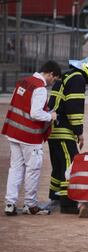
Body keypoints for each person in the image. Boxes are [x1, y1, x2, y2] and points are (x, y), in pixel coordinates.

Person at [47, 55, 88, 213]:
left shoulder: (68, 75)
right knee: (71, 165)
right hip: (64, 131)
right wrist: (79, 132)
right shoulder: (78, 79)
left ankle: (55, 198)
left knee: (58, 167)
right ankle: (68, 203)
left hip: (54, 130)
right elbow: (75, 107)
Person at [2, 61, 61, 216]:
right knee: (33, 169)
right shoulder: (40, 89)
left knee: (15, 168)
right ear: (50, 74)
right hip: (29, 136)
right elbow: (35, 113)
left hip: (14, 132)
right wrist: (51, 116)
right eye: (53, 79)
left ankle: (10, 203)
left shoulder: (23, 82)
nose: (51, 83)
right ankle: (31, 205)